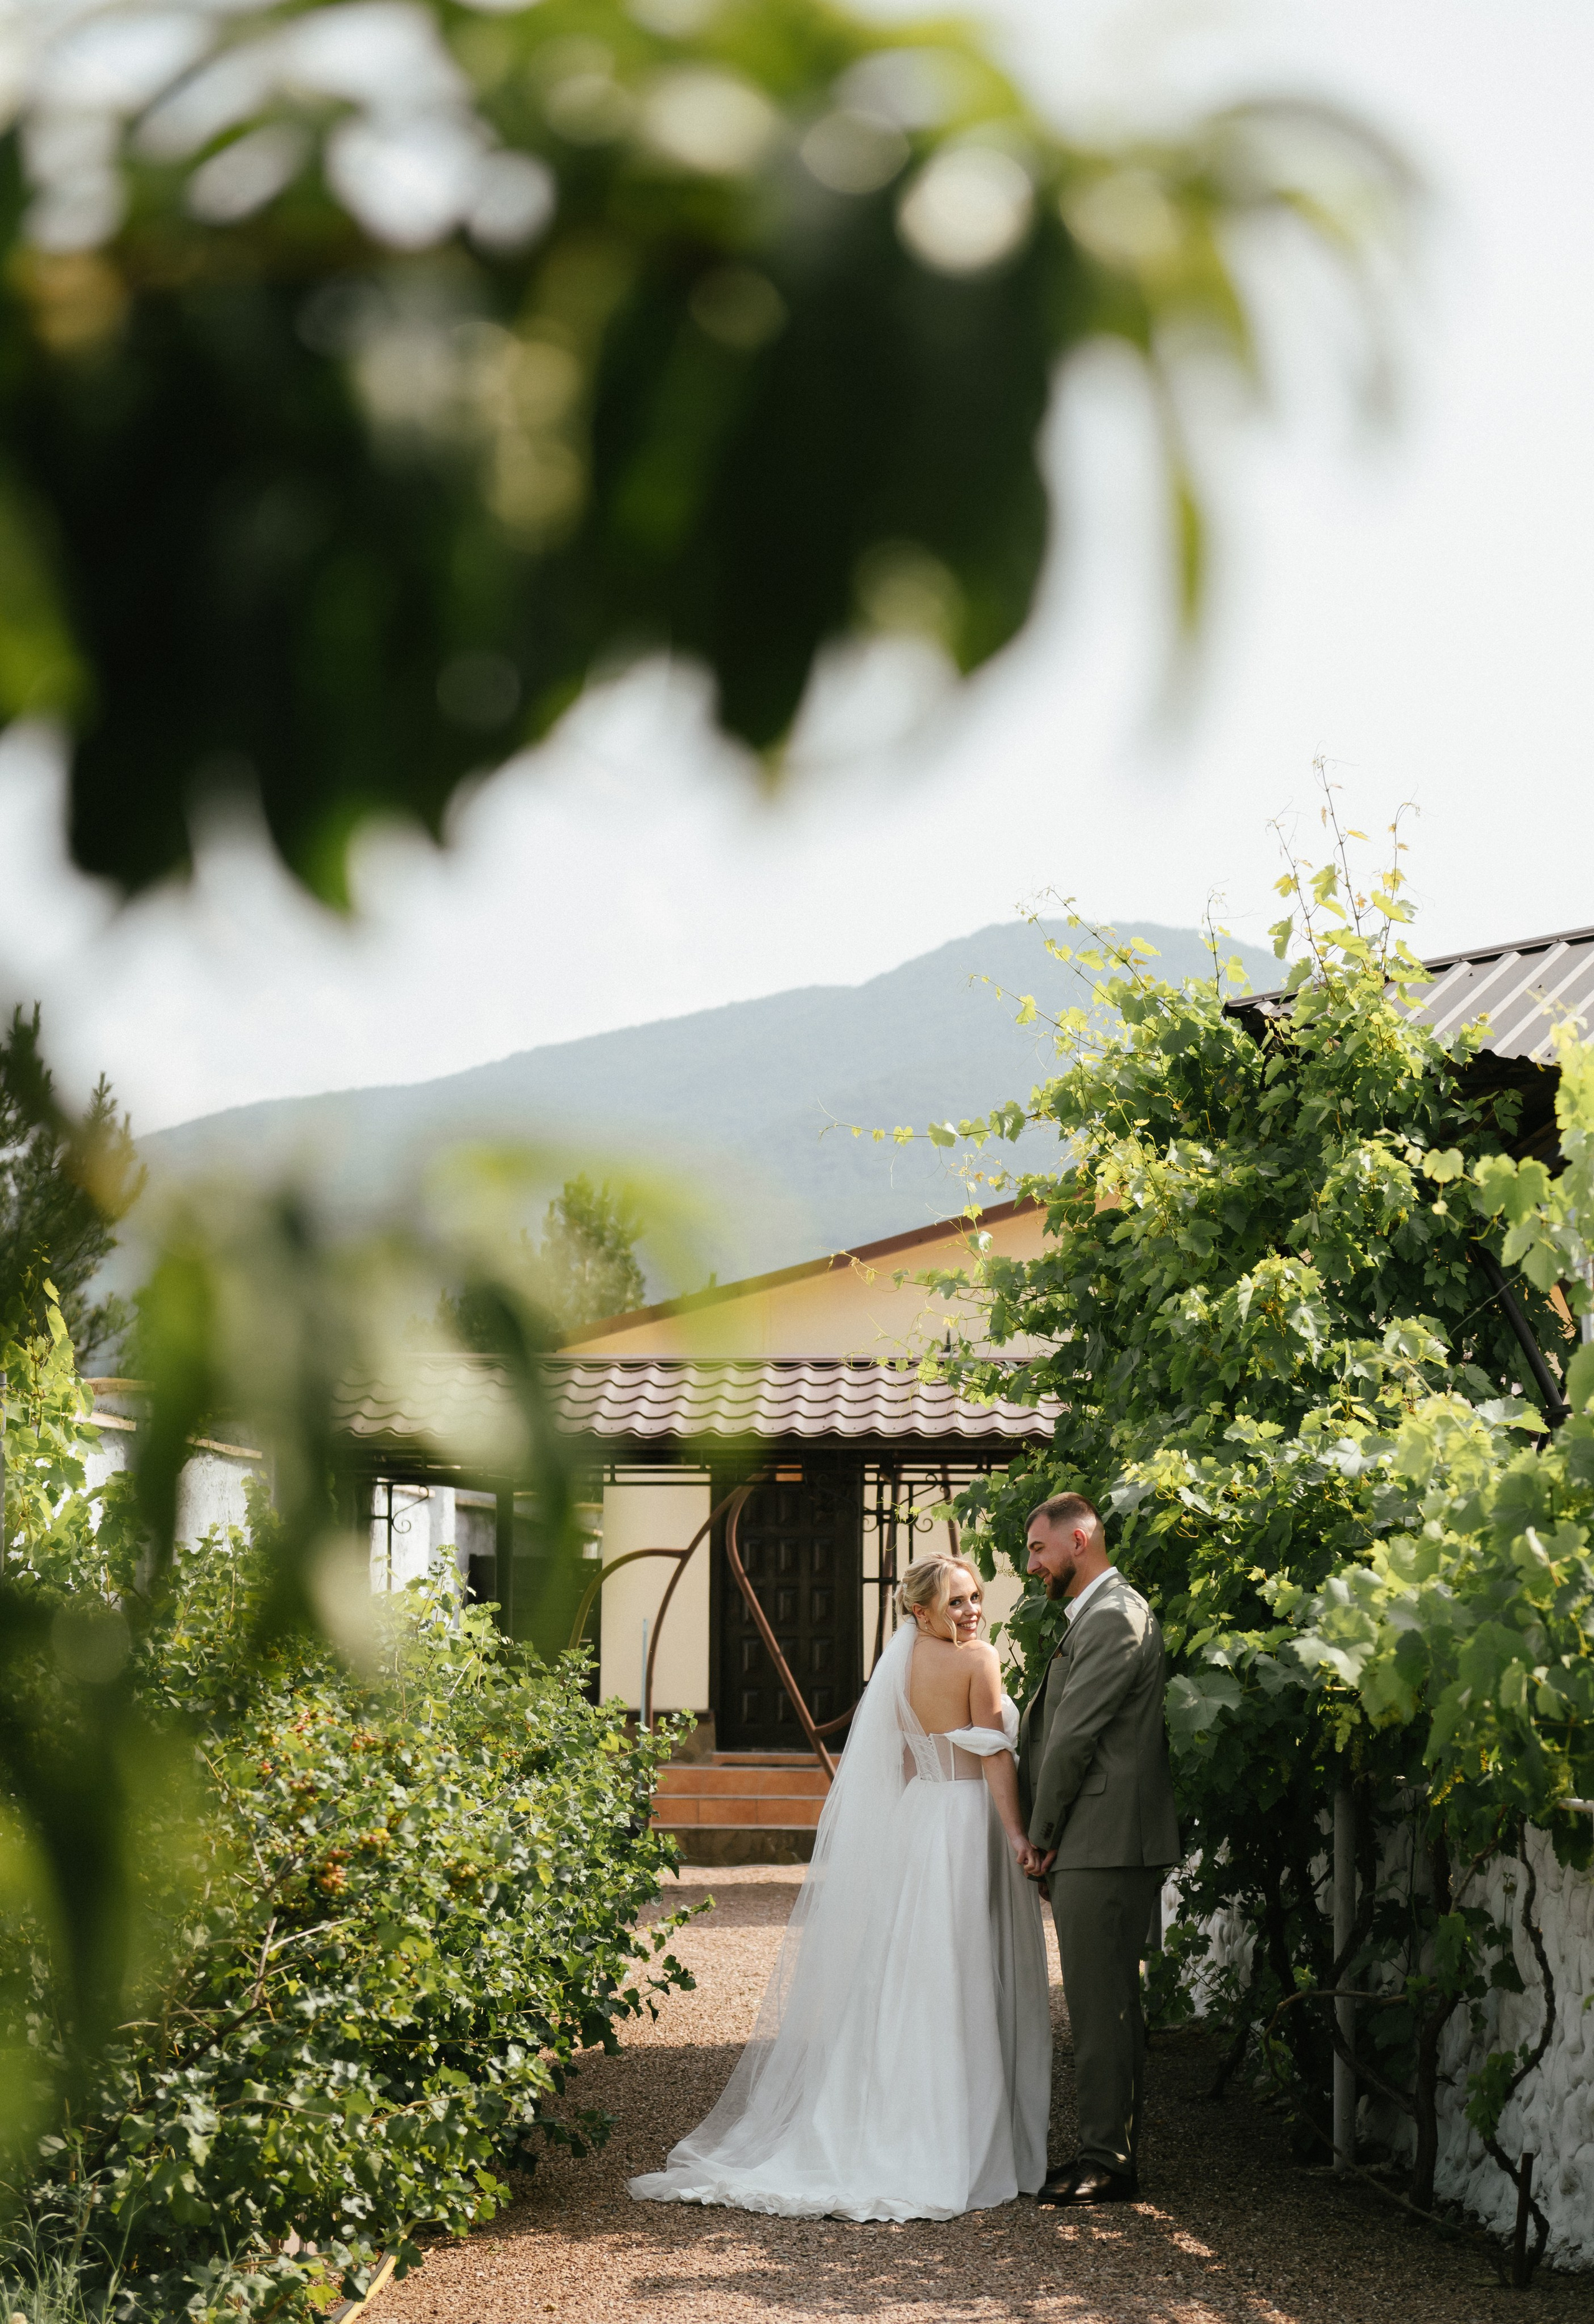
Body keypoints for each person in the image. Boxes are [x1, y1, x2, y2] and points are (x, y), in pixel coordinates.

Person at [629, 1554, 1050, 2221]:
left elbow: (908, 1759)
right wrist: (1017, 1834)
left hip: (922, 1817)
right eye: (956, 1603)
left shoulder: (902, 1662)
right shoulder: (979, 1661)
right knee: (965, 1970)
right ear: (921, 1611)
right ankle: (962, 2141)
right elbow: (994, 1754)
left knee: (914, 1978)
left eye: (974, 1598)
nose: (972, 1612)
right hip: (969, 1821)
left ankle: (894, 2119)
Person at [1018, 1492, 1180, 2207]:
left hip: (1103, 1837)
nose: (1033, 1563)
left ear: (1078, 1539)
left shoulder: (1113, 1614)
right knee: (1101, 2000)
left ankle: (1107, 2159)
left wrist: (1042, 1834)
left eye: (1038, 1548)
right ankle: (1102, 2146)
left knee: (1100, 2003)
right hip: (1098, 1836)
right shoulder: (1096, 1613)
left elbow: (1073, 1738)